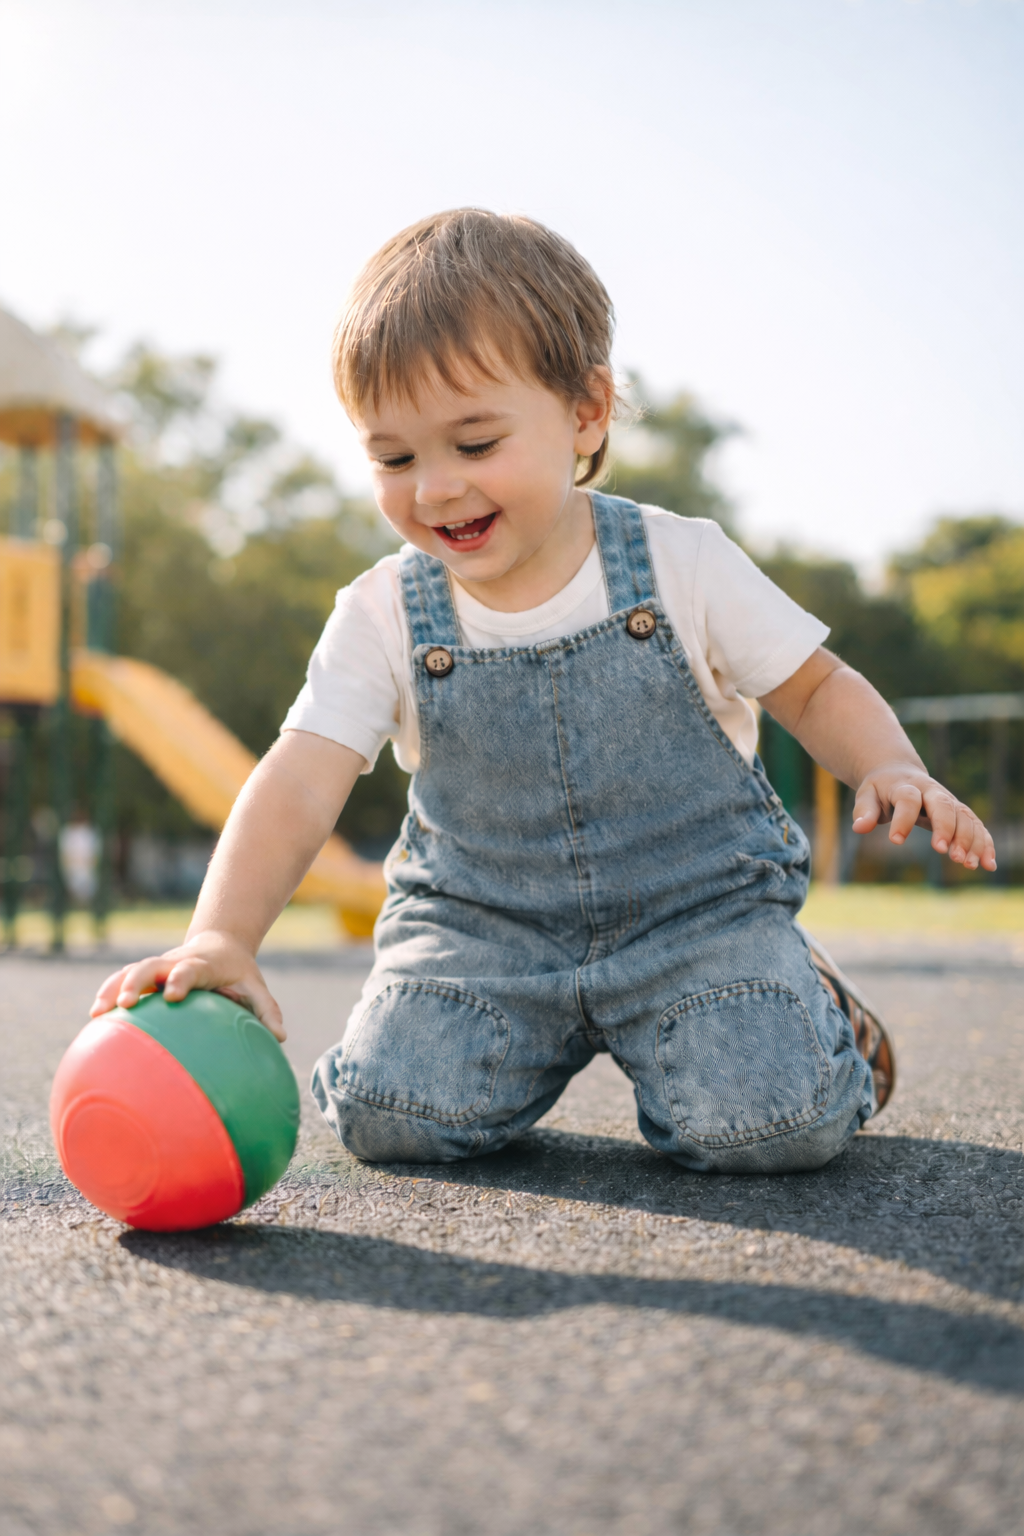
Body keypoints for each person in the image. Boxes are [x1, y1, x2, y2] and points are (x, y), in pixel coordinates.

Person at [92, 209, 996, 1173]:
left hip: (694, 921)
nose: (433, 490)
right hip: (482, 931)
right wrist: (223, 936)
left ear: (586, 412)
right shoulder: (383, 612)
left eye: (473, 445)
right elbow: (301, 779)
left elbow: (815, 689)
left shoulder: (681, 562)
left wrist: (892, 765)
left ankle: (810, 1011)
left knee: (772, 1125)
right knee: (387, 1113)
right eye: (393, 458)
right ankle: (534, 1044)